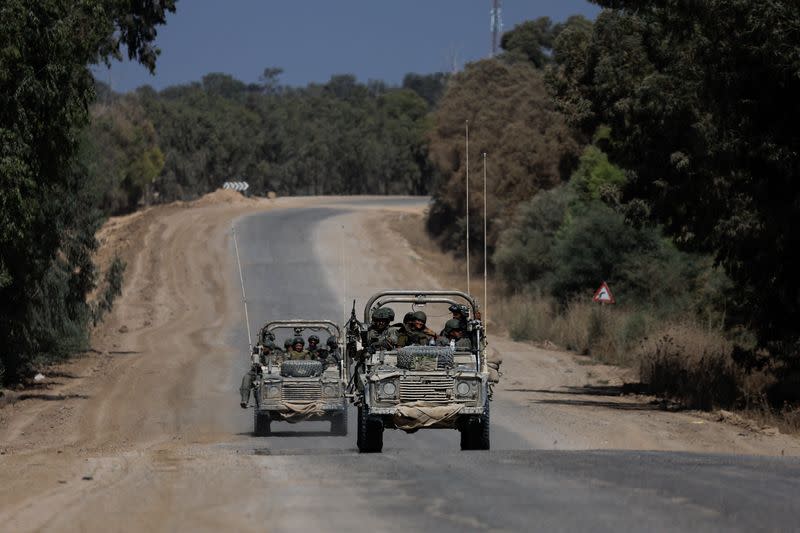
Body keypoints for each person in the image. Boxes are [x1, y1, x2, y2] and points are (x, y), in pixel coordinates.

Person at [240, 342, 277, 408]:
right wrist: (256, 355)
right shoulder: (259, 353)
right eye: (263, 347)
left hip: (271, 375)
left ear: (270, 349)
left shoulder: (275, 356)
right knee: (246, 378)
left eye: (266, 347)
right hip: (257, 372)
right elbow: (254, 362)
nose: (264, 348)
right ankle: (244, 400)